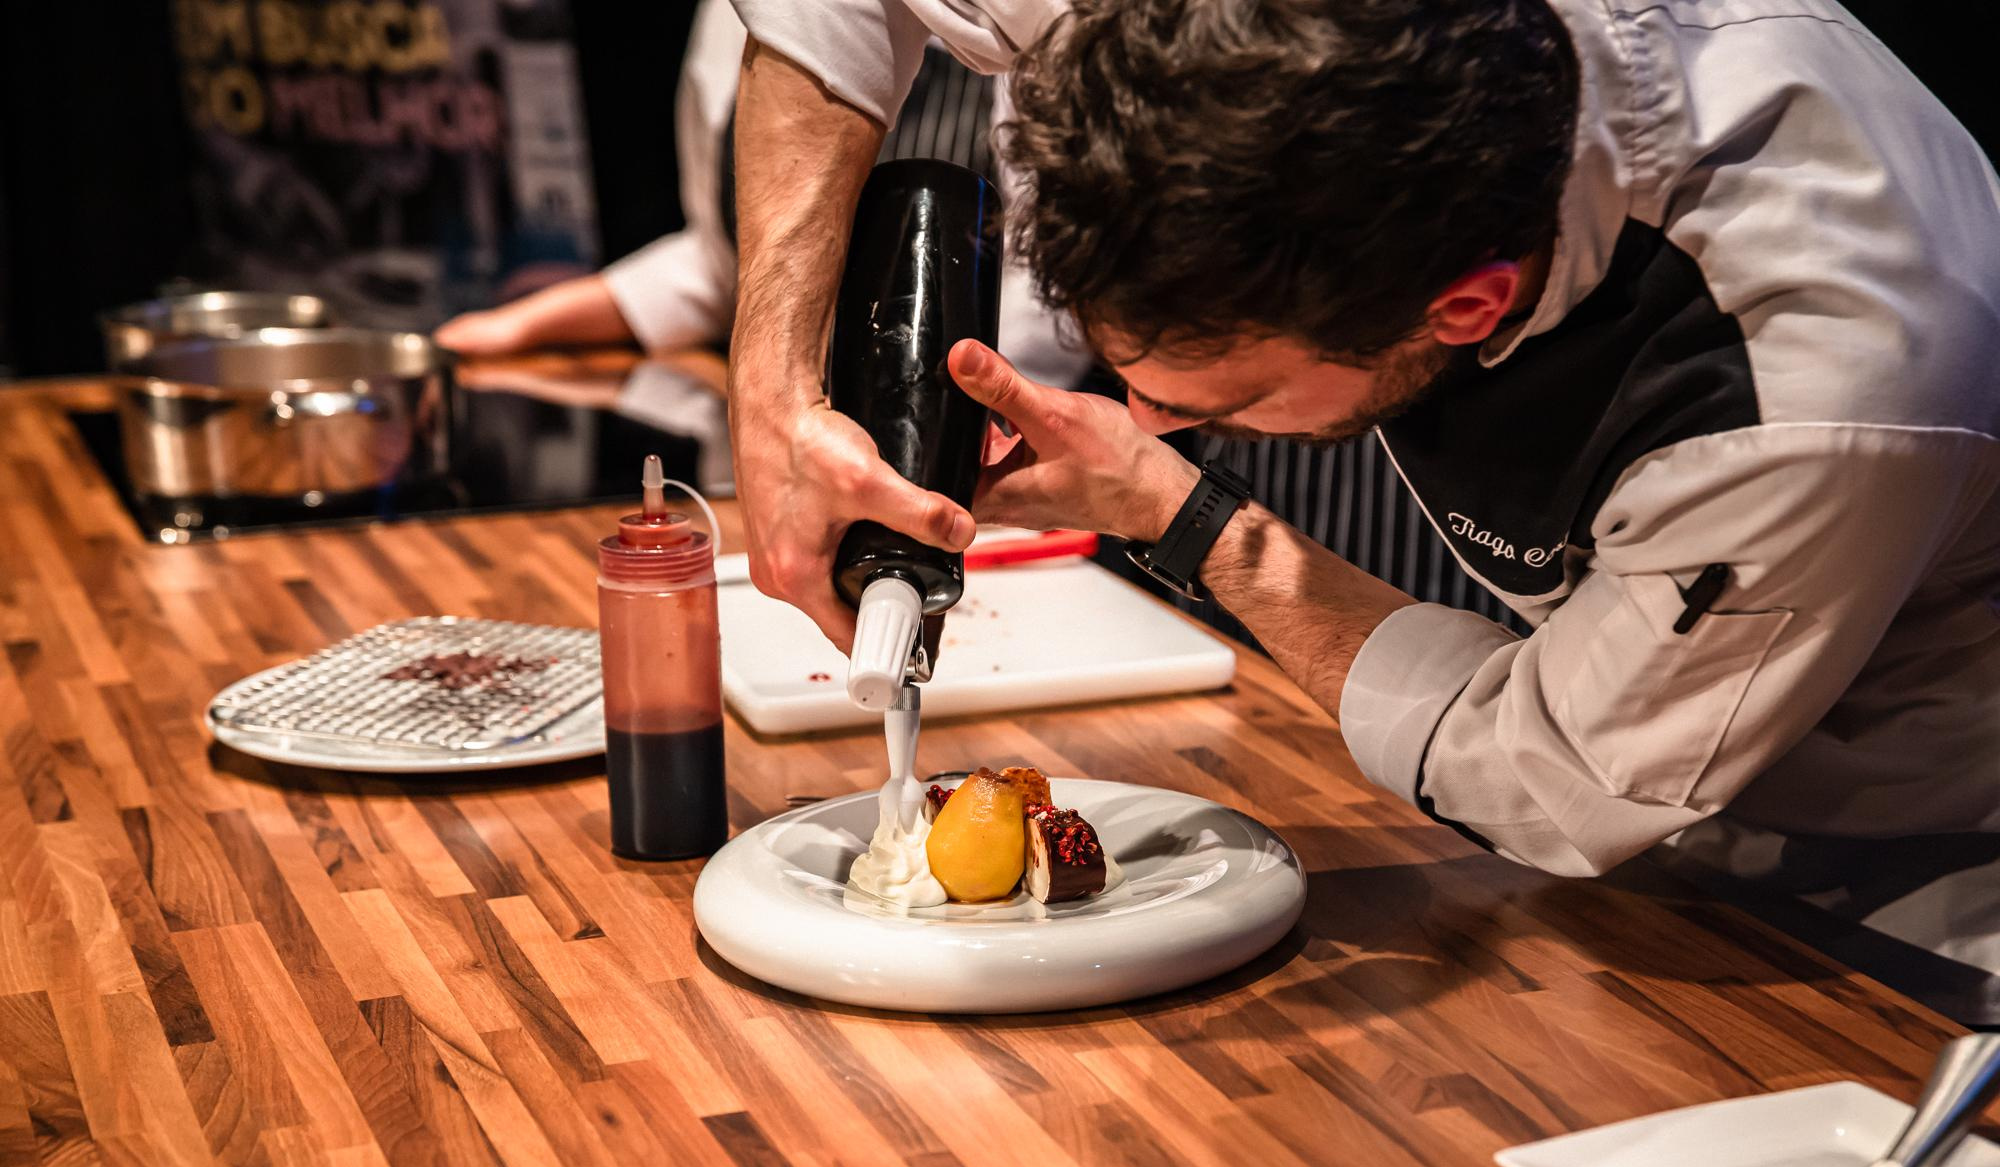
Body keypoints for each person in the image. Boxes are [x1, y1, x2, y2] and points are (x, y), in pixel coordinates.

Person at [729, 0, 2000, 1016]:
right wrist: (771, 387)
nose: (1150, 416)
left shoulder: (1811, 387)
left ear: (1465, 306)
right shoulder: (1219, 31)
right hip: (1614, 853)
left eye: (1219, 400)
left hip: (1900, 887)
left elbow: (1557, 777)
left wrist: (1192, 520)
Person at [435, 0, 1084, 395]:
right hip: (772, 458)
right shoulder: (730, 15)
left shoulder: (1039, 26)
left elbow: (1048, 314)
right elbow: (727, 264)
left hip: (983, 456)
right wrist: (530, 324)